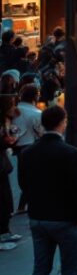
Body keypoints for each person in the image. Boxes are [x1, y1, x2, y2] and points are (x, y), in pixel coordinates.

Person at [19, 105, 77, 275]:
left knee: (40, 270)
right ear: (62, 122)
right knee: (69, 270)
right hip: (65, 219)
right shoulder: (70, 153)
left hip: (38, 218)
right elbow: (76, 189)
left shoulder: (28, 153)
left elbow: (23, 185)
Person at [12, 83, 42, 214]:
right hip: (31, 145)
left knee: (23, 176)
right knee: (32, 176)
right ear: (35, 96)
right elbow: (41, 132)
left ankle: (22, 205)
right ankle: (26, 204)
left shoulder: (14, 110)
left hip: (17, 146)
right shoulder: (36, 113)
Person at [1, 95, 20, 248]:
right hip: (1, 165)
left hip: (3, 164)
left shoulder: (7, 121)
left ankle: (5, 230)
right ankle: (3, 233)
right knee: (4, 199)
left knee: (6, 199)